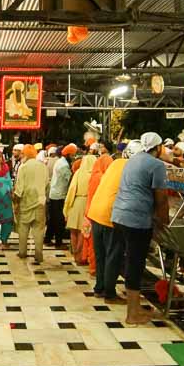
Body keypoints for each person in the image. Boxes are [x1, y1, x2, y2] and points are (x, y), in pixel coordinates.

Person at [111, 133, 169, 323]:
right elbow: (161, 199)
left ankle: (135, 308)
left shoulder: (133, 160)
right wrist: (165, 224)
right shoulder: (157, 165)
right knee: (135, 264)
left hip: (119, 215)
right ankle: (132, 315)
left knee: (130, 262)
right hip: (136, 220)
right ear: (158, 147)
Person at [87, 150, 127, 300]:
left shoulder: (114, 165)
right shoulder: (129, 167)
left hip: (95, 213)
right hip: (110, 216)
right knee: (113, 255)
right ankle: (109, 292)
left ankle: (99, 288)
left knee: (100, 254)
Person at [13, 144, 48, 263]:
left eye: (22, 153)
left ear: (26, 155)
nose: (21, 155)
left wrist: (16, 202)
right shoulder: (43, 166)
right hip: (40, 202)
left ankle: (22, 252)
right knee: (39, 229)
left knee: (23, 228)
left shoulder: (24, 167)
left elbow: (19, 187)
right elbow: (47, 183)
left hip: (26, 202)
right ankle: (38, 254)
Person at [64, 153, 96, 265]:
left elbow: (72, 189)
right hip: (88, 203)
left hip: (76, 202)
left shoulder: (78, 173)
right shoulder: (94, 175)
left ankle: (75, 255)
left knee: (74, 231)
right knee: (84, 232)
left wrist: (67, 207)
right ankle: (81, 256)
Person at [46, 144, 75, 247]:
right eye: (72, 155)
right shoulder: (64, 165)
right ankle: (58, 242)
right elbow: (70, 179)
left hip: (54, 193)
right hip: (59, 195)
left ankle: (47, 239)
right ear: (68, 154)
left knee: (53, 219)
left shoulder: (60, 161)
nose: (73, 157)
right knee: (59, 220)